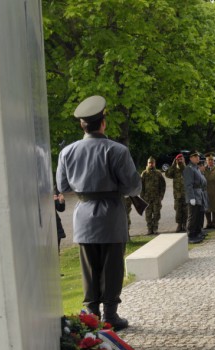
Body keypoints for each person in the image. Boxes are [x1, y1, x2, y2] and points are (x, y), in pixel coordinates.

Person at [56, 95, 141, 330]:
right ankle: (110, 315)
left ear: (82, 125)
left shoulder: (67, 152)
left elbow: (62, 186)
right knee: (112, 267)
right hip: (111, 214)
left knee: (89, 267)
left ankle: (91, 314)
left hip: (83, 215)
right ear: (103, 122)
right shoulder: (117, 150)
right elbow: (133, 186)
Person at [184, 151, 208, 244]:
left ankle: (198, 232)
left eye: (198, 156)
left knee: (199, 215)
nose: (197, 158)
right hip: (194, 194)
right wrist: (191, 197)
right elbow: (188, 185)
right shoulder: (189, 169)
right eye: (195, 156)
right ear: (190, 158)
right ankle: (191, 235)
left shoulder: (196, 168)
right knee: (193, 216)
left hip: (199, 194)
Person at [140, 156, 166, 234]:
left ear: (154, 163)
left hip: (156, 198)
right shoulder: (144, 173)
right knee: (148, 214)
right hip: (147, 198)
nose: (151, 164)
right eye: (149, 163)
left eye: (152, 163)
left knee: (156, 213)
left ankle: (155, 228)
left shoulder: (158, 173)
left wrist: (161, 196)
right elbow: (141, 186)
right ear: (147, 163)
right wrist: (142, 196)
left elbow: (163, 185)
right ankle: (149, 229)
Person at [166, 154, 187, 232]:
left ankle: (185, 224)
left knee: (185, 210)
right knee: (178, 209)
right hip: (177, 194)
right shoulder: (174, 169)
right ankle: (179, 225)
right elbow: (168, 175)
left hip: (185, 193)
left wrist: (183, 164)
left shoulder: (187, 168)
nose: (180, 161)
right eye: (178, 160)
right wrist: (173, 164)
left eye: (181, 159)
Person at [204, 153, 215, 229]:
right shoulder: (203, 169)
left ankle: (214, 223)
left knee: (214, 208)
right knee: (206, 208)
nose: (210, 161)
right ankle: (208, 223)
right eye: (209, 160)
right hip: (205, 192)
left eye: (211, 160)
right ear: (206, 161)